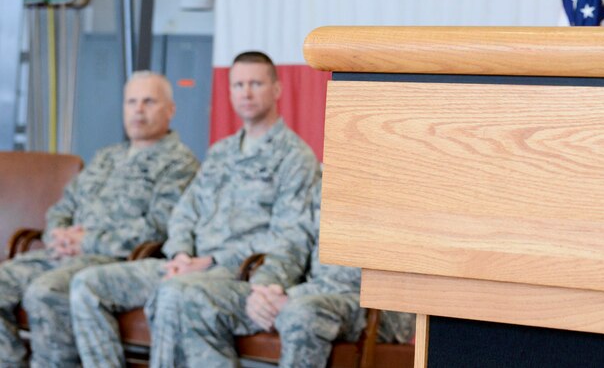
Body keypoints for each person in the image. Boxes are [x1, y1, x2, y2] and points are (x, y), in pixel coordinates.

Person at [69, 51, 319, 368]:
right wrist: (182, 254)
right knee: (88, 285)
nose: (246, 92)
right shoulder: (221, 152)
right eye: (238, 84)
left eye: (256, 83)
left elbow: (288, 237)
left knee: (174, 293)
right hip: (187, 264)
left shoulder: (295, 157)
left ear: (277, 90)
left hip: (239, 272)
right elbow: (184, 213)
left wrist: (210, 261)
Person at [0, 71, 198, 368]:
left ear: (170, 110)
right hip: (60, 255)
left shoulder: (180, 164)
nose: (138, 110)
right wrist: (59, 234)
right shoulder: (106, 157)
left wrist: (86, 241)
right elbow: (63, 206)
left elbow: (158, 227)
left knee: (46, 292)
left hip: (109, 262)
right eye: (131, 102)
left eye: (148, 102)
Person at [155, 173, 415, 365]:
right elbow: (292, 243)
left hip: (376, 306)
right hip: (305, 293)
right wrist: (267, 288)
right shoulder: (333, 177)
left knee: (301, 312)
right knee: (194, 296)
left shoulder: (411, 182)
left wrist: (290, 300)